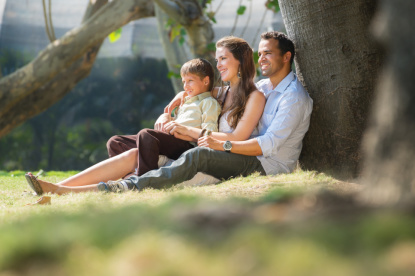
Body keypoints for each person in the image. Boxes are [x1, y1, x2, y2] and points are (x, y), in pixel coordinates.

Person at [25, 36, 266, 195]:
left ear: (241, 62)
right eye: (218, 59)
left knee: (145, 137)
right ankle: (55, 187)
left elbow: (238, 136)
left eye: (223, 58)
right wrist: (173, 103)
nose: (219, 64)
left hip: (203, 148)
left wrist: (184, 130)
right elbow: (194, 90)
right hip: (186, 137)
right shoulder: (221, 90)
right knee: (118, 143)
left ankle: (142, 179)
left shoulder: (252, 96)